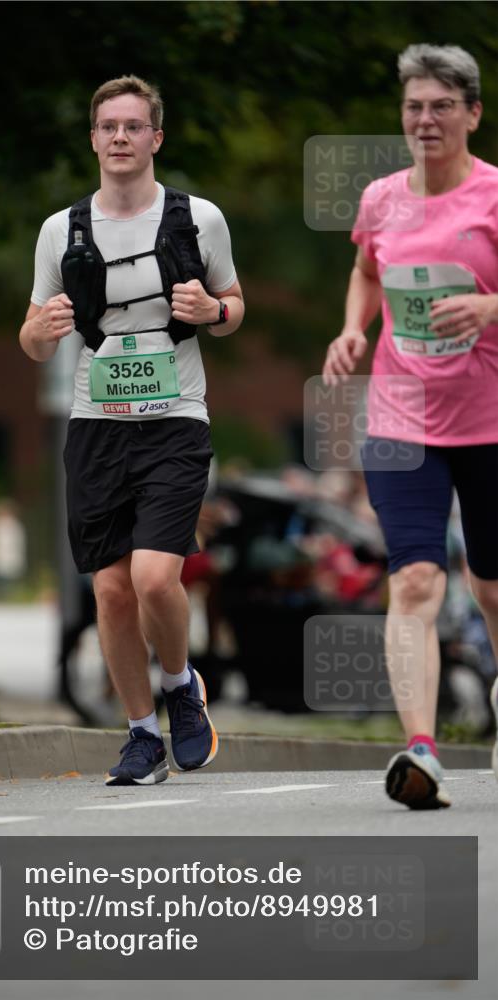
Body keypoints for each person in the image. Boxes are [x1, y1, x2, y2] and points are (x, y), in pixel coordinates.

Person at [20, 75, 244, 786]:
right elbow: (31, 338)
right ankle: (141, 734)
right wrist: (41, 331)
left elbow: (233, 303)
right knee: (110, 592)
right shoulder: (62, 230)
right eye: (107, 126)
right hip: (96, 425)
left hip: (176, 418)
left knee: (153, 578)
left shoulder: (196, 219)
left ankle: (180, 686)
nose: (119, 137)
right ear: (93, 139)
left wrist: (212, 310)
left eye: (133, 126)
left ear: (155, 138)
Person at [322, 44, 498, 808]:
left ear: (470, 113)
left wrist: (491, 307)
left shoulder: (494, 195)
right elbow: (365, 268)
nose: (423, 120)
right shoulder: (381, 199)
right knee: (417, 579)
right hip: (400, 415)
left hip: (489, 420)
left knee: (491, 586)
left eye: (439, 106)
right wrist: (352, 329)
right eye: (412, 107)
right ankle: (422, 751)